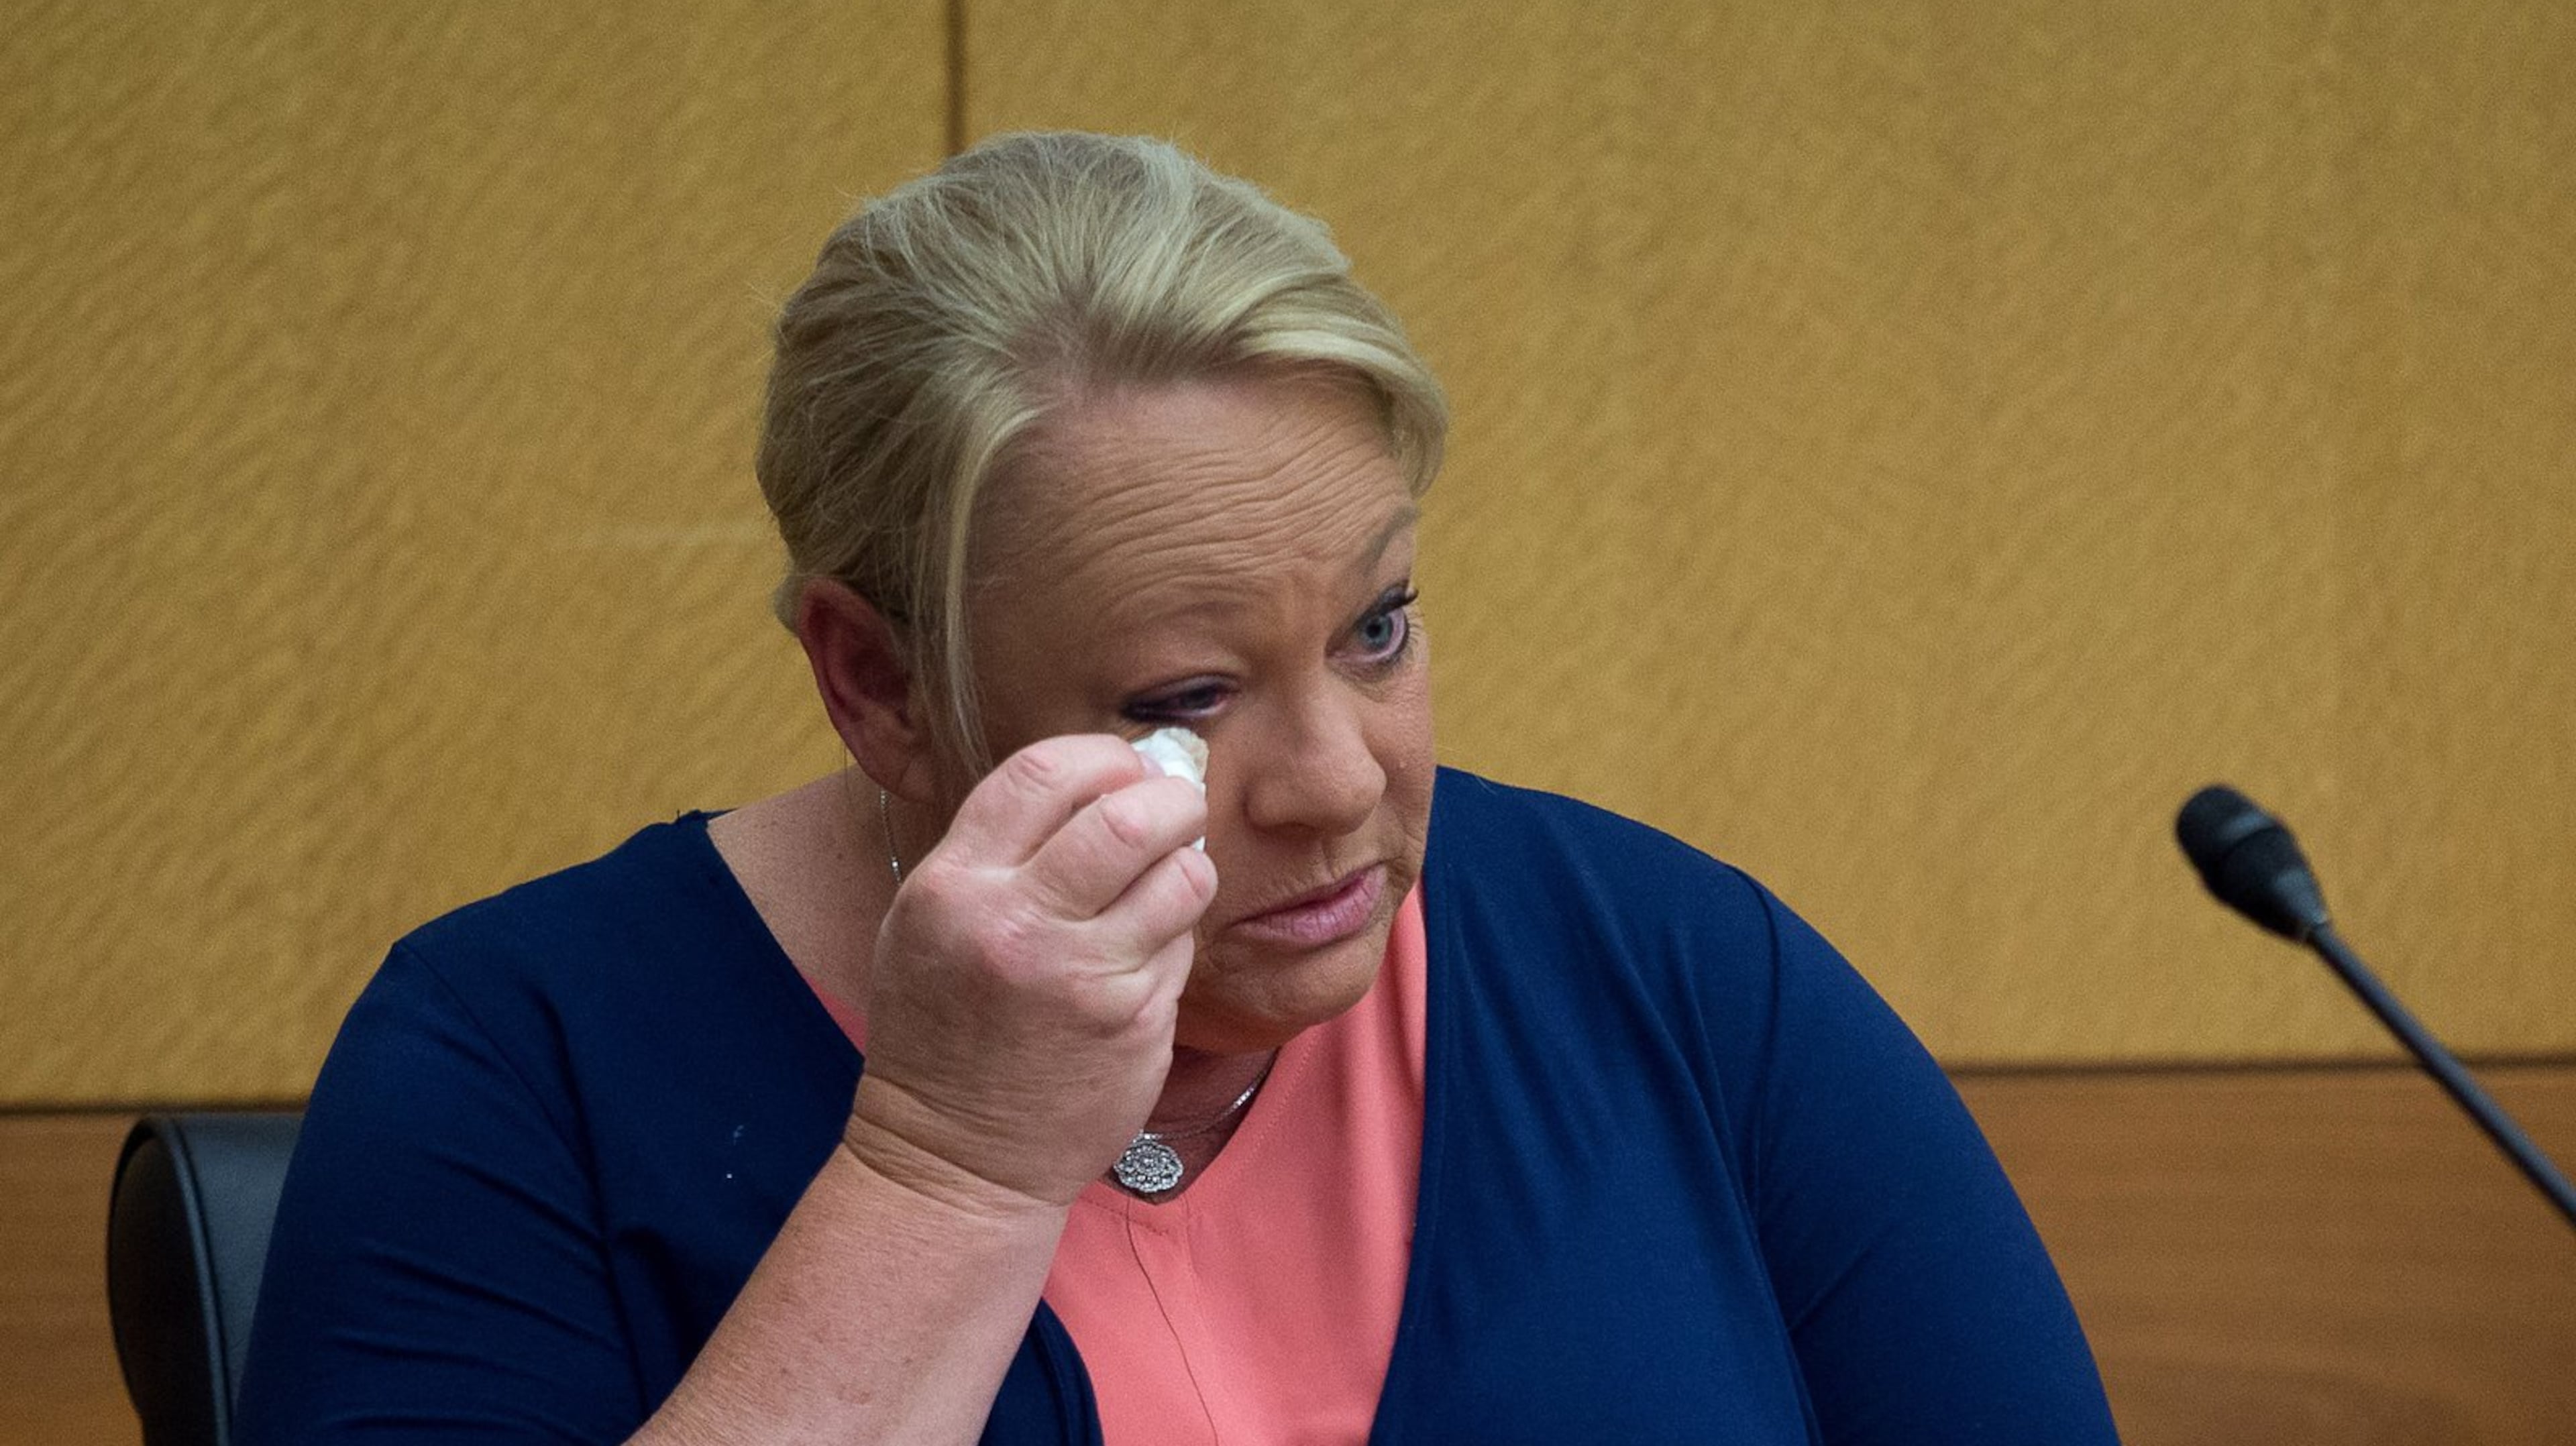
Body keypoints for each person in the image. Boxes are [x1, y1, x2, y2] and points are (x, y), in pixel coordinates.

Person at [237, 131, 2119, 1445]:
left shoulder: (1676, 971)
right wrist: (947, 1174)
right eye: (1188, 698)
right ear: (877, 684)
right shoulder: (517, 1059)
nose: (1333, 781)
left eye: (1377, 629)